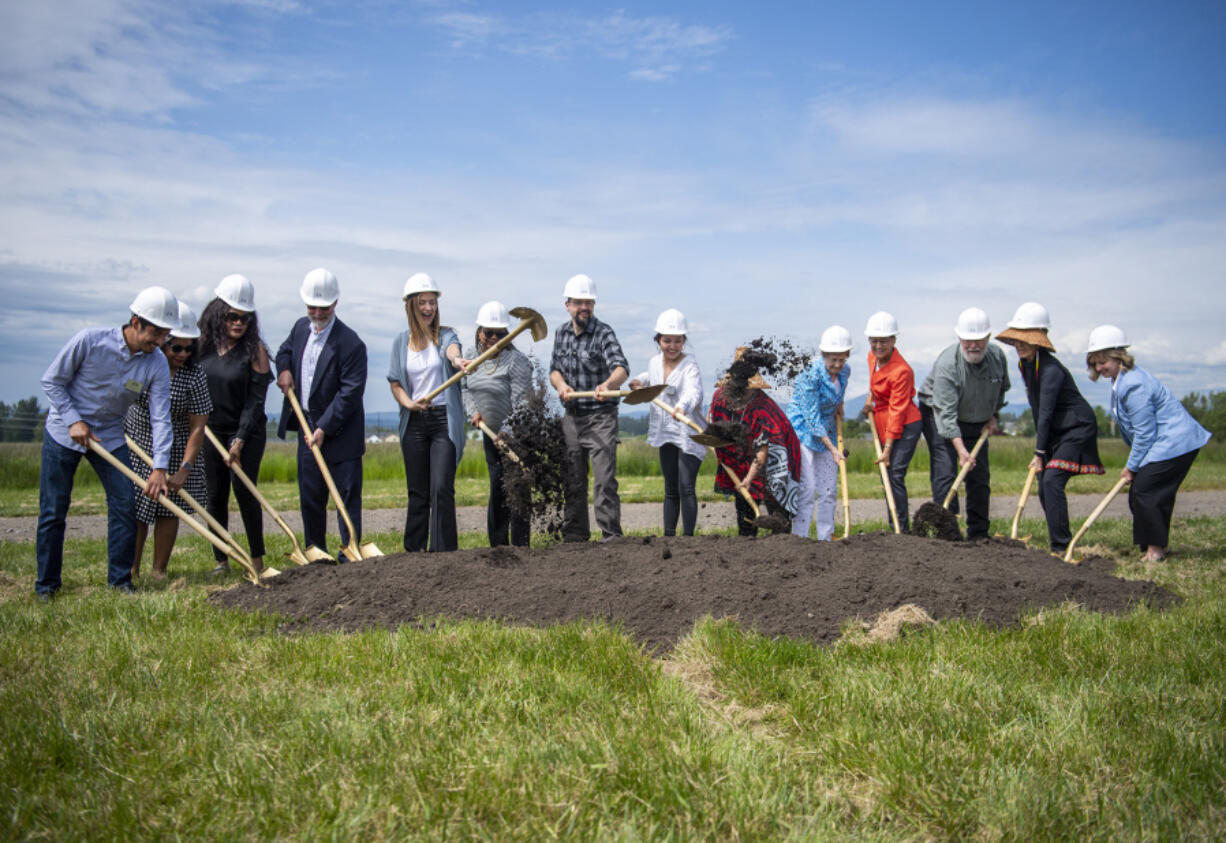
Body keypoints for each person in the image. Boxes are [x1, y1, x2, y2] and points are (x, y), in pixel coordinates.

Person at [36, 287, 180, 600]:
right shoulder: (89, 340)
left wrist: (159, 466)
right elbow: (52, 381)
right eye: (155, 333)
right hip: (64, 431)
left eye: (165, 335)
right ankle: (47, 586)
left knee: (124, 506)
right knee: (54, 509)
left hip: (111, 435)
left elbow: (160, 417)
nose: (159, 342)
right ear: (135, 322)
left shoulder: (155, 362)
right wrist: (74, 420)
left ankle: (120, 582)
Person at [1086, 325, 1211, 561]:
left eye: (1103, 362)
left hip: (1175, 442)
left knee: (1146, 491)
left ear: (1118, 357)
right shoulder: (1121, 380)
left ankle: (1154, 552)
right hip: (1165, 443)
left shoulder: (1134, 384)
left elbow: (1144, 433)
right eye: (1095, 363)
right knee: (1143, 492)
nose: (1099, 368)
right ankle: (1155, 547)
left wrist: (1132, 466)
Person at [996, 303, 1103, 554]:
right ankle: (1058, 539)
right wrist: (1042, 451)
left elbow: (1045, 413)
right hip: (1057, 431)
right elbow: (1036, 409)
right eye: (1016, 339)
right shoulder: (1026, 365)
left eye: (1024, 339)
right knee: (1045, 482)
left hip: (1077, 428)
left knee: (1053, 479)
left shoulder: (1051, 370)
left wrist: (1039, 452)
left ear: (1038, 340)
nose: (1019, 344)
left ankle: (1061, 546)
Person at [275, 268, 368, 559]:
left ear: (335, 303)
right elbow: (284, 351)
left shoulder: (351, 344)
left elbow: (350, 393)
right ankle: (316, 553)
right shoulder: (300, 327)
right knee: (311, 497)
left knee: (346, 497)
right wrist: (284, 369)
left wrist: (325, 427)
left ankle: (348, 553)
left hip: (341, 432)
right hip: (307, 424)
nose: (316, 312)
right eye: (312, 306)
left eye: (323, 307)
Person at [125, 301, 213, 579]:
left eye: (189, 348)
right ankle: (131, 569)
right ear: (164, 342)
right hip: (138, 443)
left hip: (176, 448)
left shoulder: (194, 375)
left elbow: (198, 427)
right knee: (138, 509)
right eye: (177, 347)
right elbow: (124, 397)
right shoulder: (143, 364)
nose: (183, 354)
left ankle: (158, 571)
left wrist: (183, 470)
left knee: (168, 508)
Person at [198, 274, 273, 575]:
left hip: (248, 432)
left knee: (245, 492)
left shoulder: (255, 352)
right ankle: (222, 560)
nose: (238, 323)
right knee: (215, 495)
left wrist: (239, 440)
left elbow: (256, 401)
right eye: (232, 316)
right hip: (210, 430)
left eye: (245, 318)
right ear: (219, 313)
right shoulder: (201, 348)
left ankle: (256, 560)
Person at [387, 273, 466, 552]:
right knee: (418, 492)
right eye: (422, 302)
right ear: (410, 305)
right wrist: (408, 403)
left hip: (444, 420)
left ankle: (443, 554)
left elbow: (452, 352)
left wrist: (458, 360)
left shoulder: (445, 335)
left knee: (441, 487)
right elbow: (395, 382)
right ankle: (414, 554)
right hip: (414, 423)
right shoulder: (400, 342)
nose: (428, 308)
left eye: (432, 302)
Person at [917, 307, 1010, 540]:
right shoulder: (949, 365)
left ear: (988, 338)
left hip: (977, 419)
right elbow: (946, 416)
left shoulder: (997, 357)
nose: (973, 346)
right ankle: (948, 534)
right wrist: (961, 451)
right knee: (946, 472)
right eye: (967, 340)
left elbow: (1001, 389)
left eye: (978, 340)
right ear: (959, 338)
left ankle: (979, 534)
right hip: (938, 413)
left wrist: (994, 416)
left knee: (979, 476)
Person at [549, 274, 629, 542]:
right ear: (568, 305)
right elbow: (554, 371)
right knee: (573, 479)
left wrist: (608, 384)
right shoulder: (561, 333)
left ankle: (610, 536)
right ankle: (575, 537)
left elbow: (621, 368)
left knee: (603, 480)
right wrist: (561, 386)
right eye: (579, 302)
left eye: (589, 302)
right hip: (571, 417)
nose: (584, 307)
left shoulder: (603, 333)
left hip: (601, 417)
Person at [628, 309, 706, 537]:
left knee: (686, 486)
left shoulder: (690, 365)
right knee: (671, 489)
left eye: (678, 341)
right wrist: (638, 381)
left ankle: (688, 539)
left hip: (687, 432)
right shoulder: (654, 362)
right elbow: (650, 376)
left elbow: (694, 391)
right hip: (666, 432)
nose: (672, 346)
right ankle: (669, 537)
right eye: (667, 340)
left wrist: (682, 406)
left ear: (684, 341)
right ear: (658, 340)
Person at [462, 300, 534, 546]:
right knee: (497, 487)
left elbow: (523, 403)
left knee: (517, 487)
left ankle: (521, 546)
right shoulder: (470, 358)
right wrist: (473, 412)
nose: (493, 337)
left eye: (500, 333)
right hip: (489, 434)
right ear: (479, 331)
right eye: (488, 332)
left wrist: (507, 432)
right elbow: (464, 388)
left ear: (508, 334)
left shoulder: (517, 361)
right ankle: (498, 546)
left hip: (518, 435)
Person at [709, 348, 802, 536]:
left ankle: (782, 543)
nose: (737, 395)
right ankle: (746, 539)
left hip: (776, 457)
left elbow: (763, 451)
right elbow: (713, 421)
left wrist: (749, 479)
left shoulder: (763, 410)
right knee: (744, 505)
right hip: (743, 455)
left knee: (776, 509)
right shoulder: (720, 398)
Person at [786, 325, 851, 540]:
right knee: (808, 489)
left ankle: (825, 537)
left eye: (841, 359)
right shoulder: (809, 377)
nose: (837, 365)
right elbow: (811, 418)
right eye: (832, 359)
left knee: (828, 489)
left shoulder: (845, 371)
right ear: (823, 355)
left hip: (828, 429)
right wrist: (833, 449)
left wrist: (839, 404)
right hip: (803, 431)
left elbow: (839, 391)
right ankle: (801, 538)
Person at [862, 312, 923, 533]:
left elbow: (898, 410)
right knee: (886, 476)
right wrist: (870, 400)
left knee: (895, 473)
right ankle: (894, 526)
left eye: (884, 341)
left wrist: (887, 448)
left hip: (905, 424)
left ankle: (901, 530)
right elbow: (875, 385)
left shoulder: (902, 371)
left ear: (893, 341)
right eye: (874, 340)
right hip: (882, 420)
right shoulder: (871, 357)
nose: (878, 345)